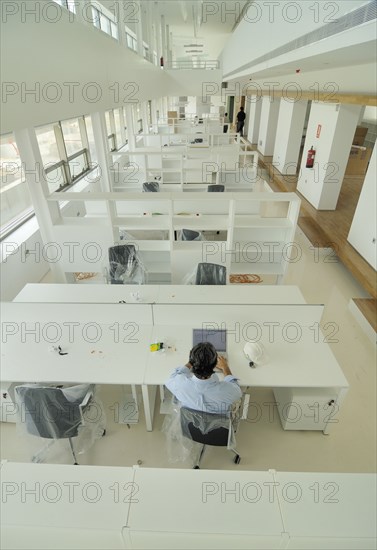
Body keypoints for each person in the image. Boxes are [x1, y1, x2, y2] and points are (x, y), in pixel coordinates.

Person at [165, 342, 242, 416]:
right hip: (217, 426)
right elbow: (236, 389)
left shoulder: (179, 384)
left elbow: (173, 377)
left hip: (190, 426)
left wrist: (192, 361)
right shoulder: (227, 391)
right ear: (215, 364)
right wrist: (225, 367)